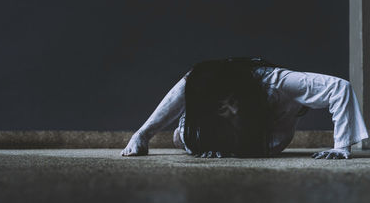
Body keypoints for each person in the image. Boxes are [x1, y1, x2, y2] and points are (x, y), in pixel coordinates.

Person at [121, 57, 369, 159]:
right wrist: (142, 134)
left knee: (260, 148)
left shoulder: (279, 82)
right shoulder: (199, 90)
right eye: (221, 107)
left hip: (272, 131)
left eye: (230, 104)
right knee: (182, 137)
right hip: (217, 131)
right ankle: (197, 137)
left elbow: (340, 88)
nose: (229, 110)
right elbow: (183, 89)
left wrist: (341, 146)